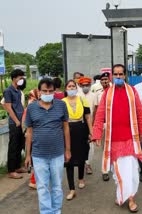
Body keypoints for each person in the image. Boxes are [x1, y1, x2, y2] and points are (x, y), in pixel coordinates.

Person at [92, 64, 142, 212]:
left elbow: (140, 112)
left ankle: (130, 198)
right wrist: (97, 134)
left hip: (130, 138)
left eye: (120, 74)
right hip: (114, 140)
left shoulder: (132, 91)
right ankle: (125, 197)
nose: (118, 77)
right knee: (119, 172)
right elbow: (100, 115)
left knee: (132, 171)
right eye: (115, 74)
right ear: (111, 77)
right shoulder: (107, 93)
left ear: (124, 75)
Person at [24, 78, 71, 214]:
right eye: (44, 91)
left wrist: (67, 150)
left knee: (57, 187)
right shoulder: (32, 108)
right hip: (39, 155)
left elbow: (66, 128)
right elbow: (29, 132)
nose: (47, 93)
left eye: (50, 91)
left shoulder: (61, 105)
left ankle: (56, 211)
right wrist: (28, 155)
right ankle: (46, 212)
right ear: (39, 91)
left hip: (57, 154)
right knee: (42, 187)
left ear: (54, 91)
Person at [62, 80, 93, 200]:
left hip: (81, 130)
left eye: (73, 86)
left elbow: (88, 117)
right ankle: (71, 189)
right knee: (68, 159)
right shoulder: (61, 102)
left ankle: (81, 178)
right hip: (67, 130)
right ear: (65, 88)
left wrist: (91, 131)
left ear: (76, 88)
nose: (71, 88)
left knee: (81, 157)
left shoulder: (82, 99)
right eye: (69, 86)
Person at [3, 69, 27, 179]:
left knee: (19, 145)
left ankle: (17, 167)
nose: (22, 80)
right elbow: (8, 107)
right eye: (20, 78)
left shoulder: (17, 91)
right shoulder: (8, 91)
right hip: (14, 123)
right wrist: (16, 121)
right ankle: (11, 170)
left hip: (20, 122)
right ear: (14, 78)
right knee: (13, 146)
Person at [93, 71, 111, 181]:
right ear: (101, 81)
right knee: (104, 148)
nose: (104, 81)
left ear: (109, 80)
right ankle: (105, 171)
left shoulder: (114, 90)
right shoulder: (97, 92)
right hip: (103, 123)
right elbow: (96, 109)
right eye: (103, 80)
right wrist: (95, 125)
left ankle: (114, 167)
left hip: (113, 122)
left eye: (106, 79)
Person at [78, 77, 96, 175]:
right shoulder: (77, 96)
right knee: (80, 144)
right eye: (83, 85)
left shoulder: (94, 95)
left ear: (90, 85)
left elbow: (95, 109)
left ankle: (88, 164)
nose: (85, 87)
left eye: (87, 85)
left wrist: (94, 125)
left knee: (91, 145)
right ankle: (81, 162)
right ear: (80, 86)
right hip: (79, 124)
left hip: (91, 123)